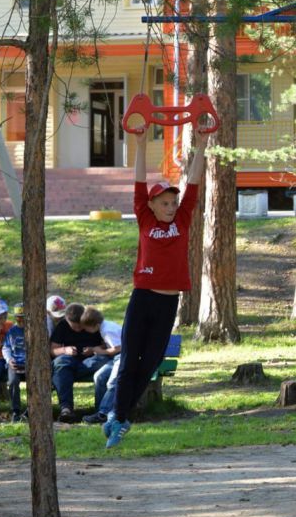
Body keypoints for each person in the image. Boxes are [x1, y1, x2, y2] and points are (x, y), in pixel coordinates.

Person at [105, 126, 208, 449]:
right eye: (164, 203)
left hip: (167, 304)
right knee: (128, 363)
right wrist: (139, 144)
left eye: (173, 202)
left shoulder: (183, 219)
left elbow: (193, 182)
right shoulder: (144, 217)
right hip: (142, 299)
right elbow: (138, 183)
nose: (171, 207)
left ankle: (119, 416)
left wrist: (202, 144)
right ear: (151, 205)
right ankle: (119, 418)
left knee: (149, 365)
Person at [51, 303, 109, 423]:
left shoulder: (91, 323)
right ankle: (66, 408)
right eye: (74, 327)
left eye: (81, 326)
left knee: (103, 360)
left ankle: (100, 412)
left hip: (91, 361)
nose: (78, 329)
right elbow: (52, 350)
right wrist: (65, 350)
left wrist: (93, 349)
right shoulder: (62, 326)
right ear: (67, 320)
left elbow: (107, 345)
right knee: (60, 362)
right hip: (69, 361)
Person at [80, 307, 123, 425]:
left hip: (124, 357)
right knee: (99, 376)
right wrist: (96, 348)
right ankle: (99, 410)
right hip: (116, 358)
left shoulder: (107, 330)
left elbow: (118, 348)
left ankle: (103, 414)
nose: (85, 329)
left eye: (86, 327)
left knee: (112, 383)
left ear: (95, 325)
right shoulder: (104, 327)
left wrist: (100, 351)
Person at [2, 303, 28, 423]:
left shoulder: (33, 330)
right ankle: (15, 411)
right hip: (15, 363)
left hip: (29, 364)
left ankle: (31, 409)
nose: (20, 320)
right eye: (18, 317)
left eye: (23, 317)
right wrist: (9, 360)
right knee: (13, 382)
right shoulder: (12, 331)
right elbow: (6, 348)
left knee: (34, 382)